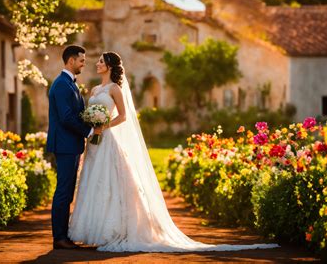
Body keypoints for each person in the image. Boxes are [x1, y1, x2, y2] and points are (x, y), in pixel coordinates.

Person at [68, 51, 279, 252]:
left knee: (111, 181)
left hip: (108, 138)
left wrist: (103, 126)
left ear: (110, 67)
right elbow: (89, 113)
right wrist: (91, 124)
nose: (97, 64)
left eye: (101, 62)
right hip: (95, 143)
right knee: (93, 181)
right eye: (98, 62)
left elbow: (123, 116)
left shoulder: (115, 89)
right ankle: (92, 230)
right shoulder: (95, 90)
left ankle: (113, 230)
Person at [46, 45, 102, 250]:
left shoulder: (69, 84)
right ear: (71, 60)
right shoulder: (62, 84)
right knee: (63, 191)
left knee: (68, 191)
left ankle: (63, 235)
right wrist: (88, 132)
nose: (83, 64)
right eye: (81, 60)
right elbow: (67, 117)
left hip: (71, 145)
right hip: (65, 145)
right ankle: (59, 238)